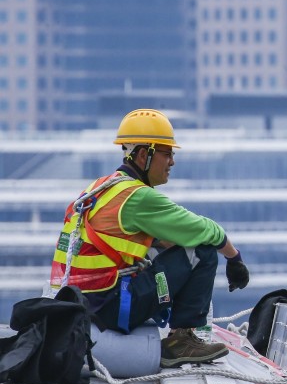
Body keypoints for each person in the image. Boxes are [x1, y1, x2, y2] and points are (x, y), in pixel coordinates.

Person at [50, 109, 250, 368]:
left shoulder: (102, 187)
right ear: (144, 155)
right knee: (202, 250)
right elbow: (206, 230)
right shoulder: (138, 197)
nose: (172, 162)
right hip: (110, 308)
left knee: (170, 246)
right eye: (167, 154)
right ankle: (182, 340)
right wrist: (235, 259)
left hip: (83, 302)